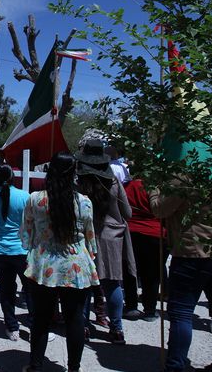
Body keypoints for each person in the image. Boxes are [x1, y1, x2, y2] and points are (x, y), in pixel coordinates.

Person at [151, 172, 212, 372]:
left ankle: (175, 365)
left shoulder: (182, 178)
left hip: (193, 253)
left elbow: (159, 209)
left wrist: (154, 188)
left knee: (181, 312)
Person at [21, 153, 99, 372]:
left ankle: (35, 365)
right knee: (75, 319)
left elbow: (26, 233)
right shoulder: (84, 202)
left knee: (41, 318)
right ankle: (74, 367)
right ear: (73, 172)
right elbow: (90, 237)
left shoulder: (35, 199)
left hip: (43, 264)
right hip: (75, 265)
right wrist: (90, 257)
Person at [76, 139, 134, 345]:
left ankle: (82, 326)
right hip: (111, 237)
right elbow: (127, 212)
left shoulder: (80, 184)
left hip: (84, 237)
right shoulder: (114, 183)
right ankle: (116, 329)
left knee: (83, 285)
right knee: (112, 285)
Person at [0, 163, 31, 341]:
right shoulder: (24, 196)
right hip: (22, 249)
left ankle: (11, 326)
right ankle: (34, 327)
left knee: (7, 289)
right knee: (31, 290)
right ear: (12, 177)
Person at [123, 177, 167, 321]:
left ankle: (131, 306)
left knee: (130, 271)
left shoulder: (128, 186)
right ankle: (150, 309)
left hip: (132, 231)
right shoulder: (157, 186)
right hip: (155, 232)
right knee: (152, 274)